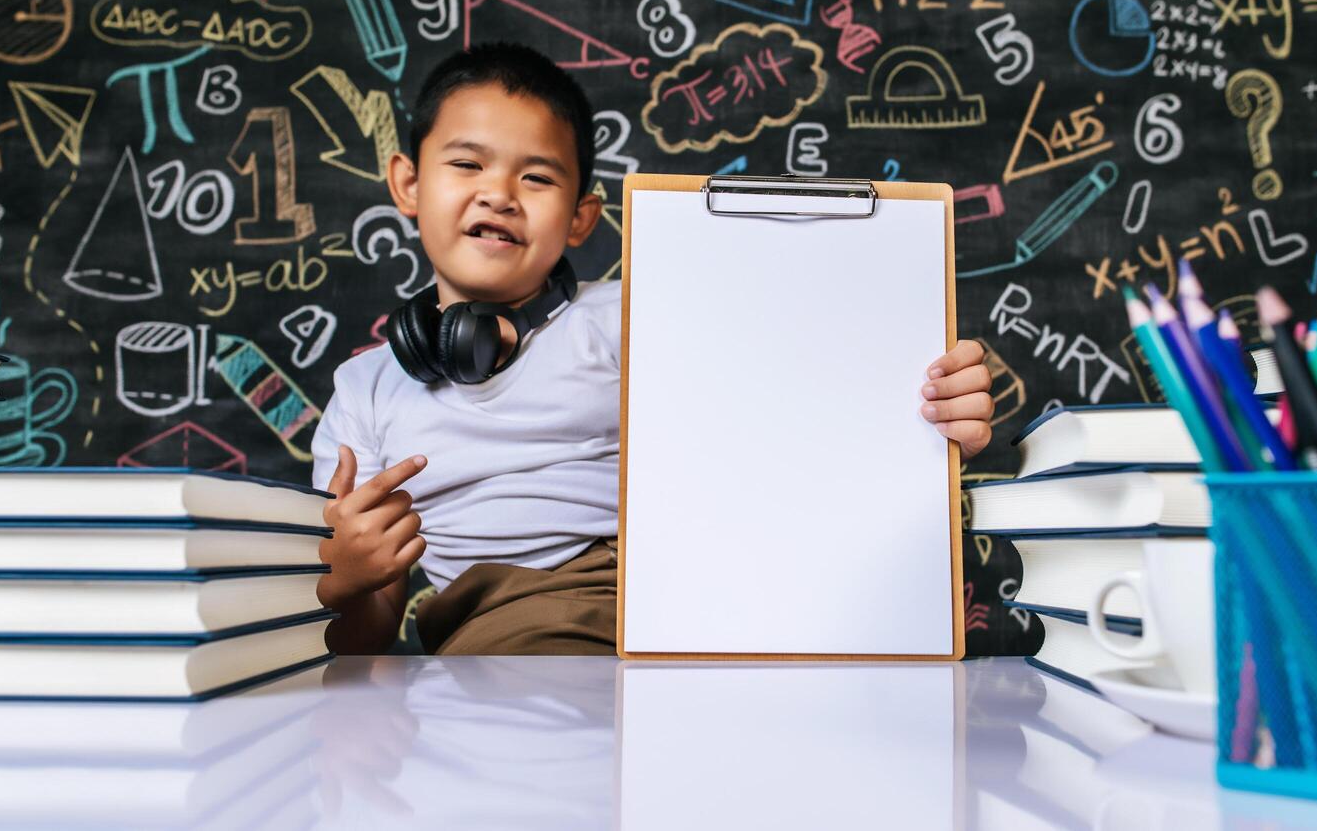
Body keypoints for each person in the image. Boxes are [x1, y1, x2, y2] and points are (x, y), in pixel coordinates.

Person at [309, 42, 995, 655]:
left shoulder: (632, 317)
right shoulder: (366, 392)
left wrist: (928, 402)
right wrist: (346, 583)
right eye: (466, 164)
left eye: (537, 178)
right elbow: (362, 643)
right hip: (498, 627)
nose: (499, 194)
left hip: (678, 588)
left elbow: (801, 393)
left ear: (582, 216)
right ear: (407, 182)